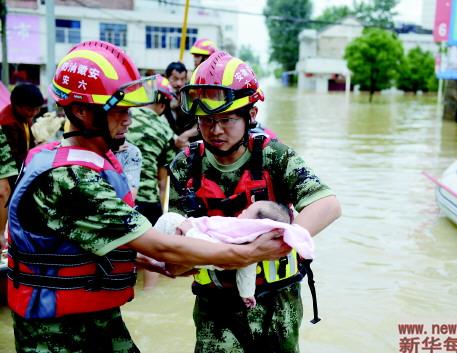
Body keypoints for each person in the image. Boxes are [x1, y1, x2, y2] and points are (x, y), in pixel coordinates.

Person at [7, 40, 291, 353]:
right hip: (57, 333)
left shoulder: (70, 157)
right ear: (81, 111)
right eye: (118, 111)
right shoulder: (71, 178)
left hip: (94, 317)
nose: (128, 120)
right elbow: (159, 244)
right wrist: (248, 255)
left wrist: (154, 264)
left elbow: (90, 245)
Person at [169, 51, 341, 353]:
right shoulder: (185, 166)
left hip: (277, 305)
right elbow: (173, 243)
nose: (216, 130)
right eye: (207, 121)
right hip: (215, 307)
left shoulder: (275, 157)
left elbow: (327, 205)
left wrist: (280, 242)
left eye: (226, 119)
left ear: (250, 115)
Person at [154, 201, 314, 309]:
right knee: (154, 251)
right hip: (193, 254)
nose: (243, 211)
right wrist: (247, 293)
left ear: (256, 225)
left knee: (167, 223)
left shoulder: (239, 238)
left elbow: (209, 248)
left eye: (247, 212)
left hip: (187, 238)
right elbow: (247, 269)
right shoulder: (250, 245)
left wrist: (190, 230)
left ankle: (143, 258)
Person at [127, 76, 177, 225]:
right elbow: (163, 182)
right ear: (162, 105)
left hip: (121, 197)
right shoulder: (165, 131)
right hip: (148, 202)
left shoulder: (123, 118)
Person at [0, 83, 44, 245]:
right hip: (11, 169)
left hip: (23, 164)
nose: (34, 113)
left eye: (38, 109)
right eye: (31, 110)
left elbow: (29, 145)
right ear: (17, 106)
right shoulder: (8, 123)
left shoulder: (24, 117)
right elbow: (14, 155)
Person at [163, 61, 199, 148]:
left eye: (182, 79)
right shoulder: (160, 99)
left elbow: (202, 122)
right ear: (166, 78)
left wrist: (186, 135)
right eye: (175, 79)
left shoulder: (192, 97)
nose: (179, 84)